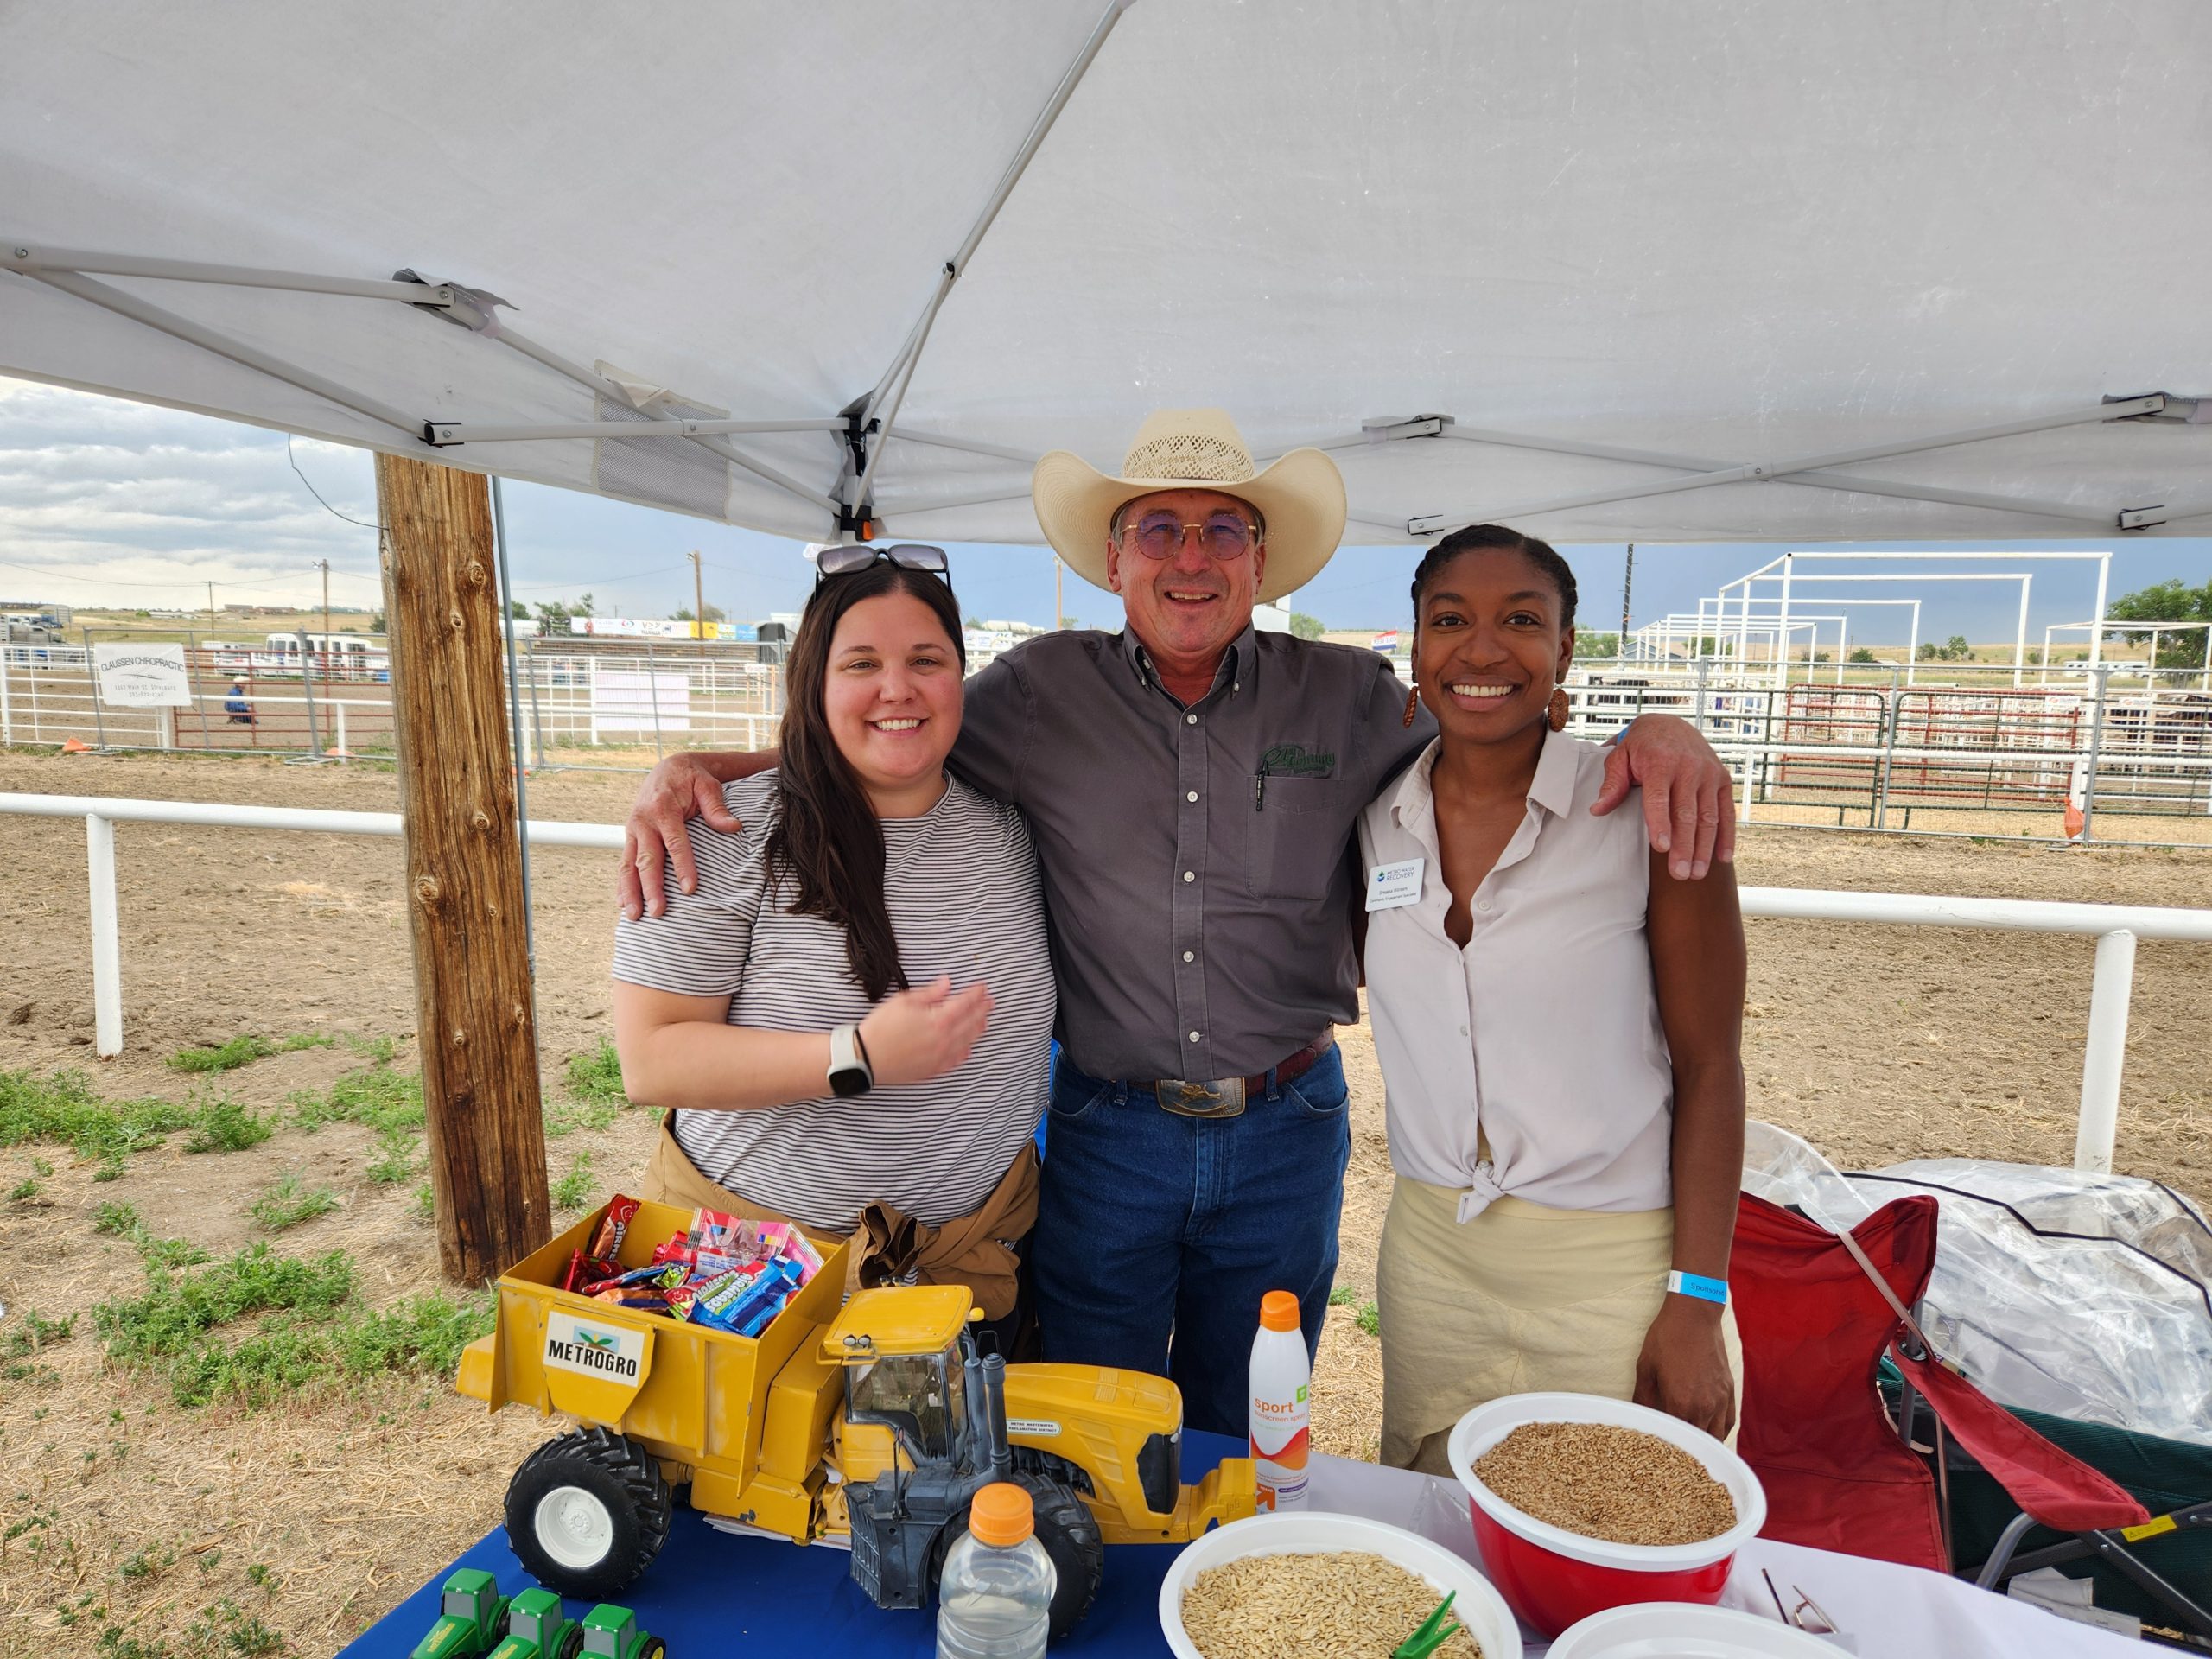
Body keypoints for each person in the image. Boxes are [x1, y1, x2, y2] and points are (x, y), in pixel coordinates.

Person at [617, 409, 1738, 1436]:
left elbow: (1492, 711)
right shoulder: (1034, 694)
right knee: (1096, 1418)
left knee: (1253, 1414)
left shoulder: (1348, 699)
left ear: (1261, 560)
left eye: (1222, 531)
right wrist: (698, 768)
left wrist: (1661, 732)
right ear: (1113, 561)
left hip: (1285, 1128)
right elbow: (892, 727)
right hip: (1112, 1133)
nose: (1191, 558)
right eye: (1159, 530)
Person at [1359, 524, 1746, 1476]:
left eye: (1520, 620)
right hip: (1434, 1261)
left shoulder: (1645, 819)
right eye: (1449, 620)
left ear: (1565, 649)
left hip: (1610, 1270)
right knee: (1440, 1525)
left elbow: (1711, 1068)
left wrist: (1695, 1301)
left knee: (1620, 1534)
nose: (1481, 649)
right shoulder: (1373, 818)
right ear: (1413, 644)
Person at [609, 547, 1055, 1338]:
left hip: (970, 1277)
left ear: (962, 679)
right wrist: (856, 1056)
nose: (898, 687)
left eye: (927, 659)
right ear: (814, 683)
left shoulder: (1015, 830)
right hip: (754, 1288)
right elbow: (652, 1059)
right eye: (862, 663)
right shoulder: (719, 834)